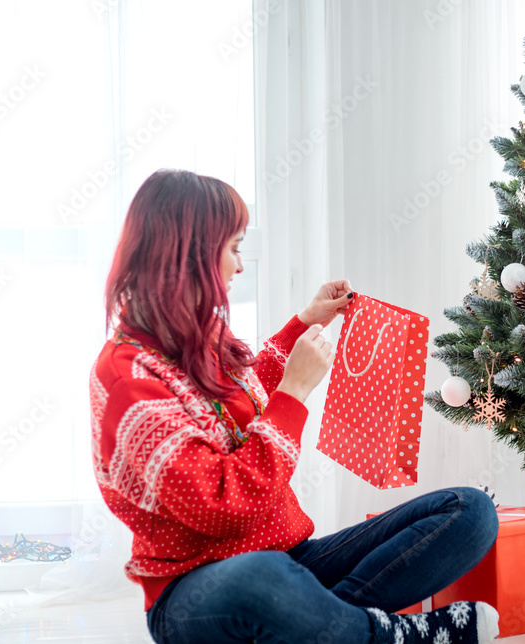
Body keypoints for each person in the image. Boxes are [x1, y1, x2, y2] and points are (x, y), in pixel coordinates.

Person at [90, 169, 500, 643]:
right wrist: (295, 395)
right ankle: (392, 636)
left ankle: (329, 629)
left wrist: (304, 322)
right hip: (199, 593)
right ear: (193, 255)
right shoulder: (127, 378)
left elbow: (248, 399)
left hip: (291, 560)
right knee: (263, 579)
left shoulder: (197, 341)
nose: (238, 267)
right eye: (234, 248)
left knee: (469, 512)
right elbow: (225, 507)